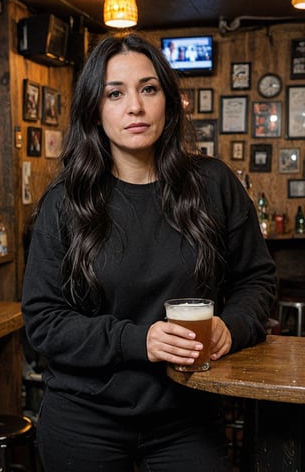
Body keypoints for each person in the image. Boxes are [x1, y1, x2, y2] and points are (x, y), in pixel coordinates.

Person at [21, 32, 276, 472]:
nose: (134, 107)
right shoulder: (65, 200)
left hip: (189, 413)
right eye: (115, 93)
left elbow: (256, 280)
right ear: (94, 111)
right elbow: (43, 320)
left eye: (148, 89)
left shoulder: (214, 184)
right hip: (85, 418)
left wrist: (230, 327)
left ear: (168, 102)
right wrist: (142, 341)